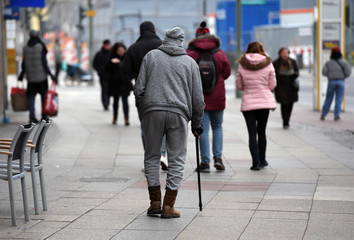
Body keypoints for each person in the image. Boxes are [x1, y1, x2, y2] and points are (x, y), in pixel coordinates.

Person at [134, 27, 205, 218]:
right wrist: (197, 124)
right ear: (181, 41)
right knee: (177, 159)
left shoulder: (151, 57)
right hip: (179, 113)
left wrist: (143, 109)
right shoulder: (190, 63)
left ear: (165, 39)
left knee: (152, 156)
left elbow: (139, 88)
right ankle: (168, 206)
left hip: (152, 111)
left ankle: (154, 202)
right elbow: (198, 98)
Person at [123, 21, 168, 170]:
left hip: (142, 95)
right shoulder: (163, 46)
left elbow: (125, 72)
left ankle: (150, 160)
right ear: (154, 30)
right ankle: (161, 154)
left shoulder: (133, 48)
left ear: (141, 31)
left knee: (145, 127)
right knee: (163, 126)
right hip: (163, 92)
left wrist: (134, 83)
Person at [187, 21, 231, 173]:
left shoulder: (190, 53)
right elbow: (226, 73)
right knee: (218, 127)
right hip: (218, 95)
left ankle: (205, 162)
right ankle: (218, 159)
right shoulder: (219, 52)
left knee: (203, 129)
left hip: (199, 97)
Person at [236, 42, 276, 171]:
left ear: (248, 50)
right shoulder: (268, 63)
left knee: (252, 133)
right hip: (264, 102)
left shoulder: (242, 64)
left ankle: (255, 163)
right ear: (261, 50)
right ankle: (263, 160)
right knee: (262, 132)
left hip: (248, 103)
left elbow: (239, 85)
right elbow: (272, 85)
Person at [18, 30, 55, 123]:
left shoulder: (25, 48)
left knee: (31, 97)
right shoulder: (40, 47)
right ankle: (44, 116)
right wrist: (51, 74)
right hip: (41, 78)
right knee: (44, 96)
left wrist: (22, 75)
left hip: (30, 78)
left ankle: (32, 117)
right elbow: (44, 63)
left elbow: (24, 64)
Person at [321, 47, 351, 121]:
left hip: (331, 82)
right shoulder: (344, 62)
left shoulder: (328, 63)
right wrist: (343, 76)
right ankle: (336, 115)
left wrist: (330, 74)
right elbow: (348, 72)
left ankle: (324, 114)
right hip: (341, 81)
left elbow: (324, 72)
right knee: (339, 99)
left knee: (329, 98)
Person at [105, 42, 132, 125]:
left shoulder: (127, 59)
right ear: (116, 51)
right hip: (115, 84)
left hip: (125, 83)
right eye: (119, 50)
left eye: (122, 50)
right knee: (115, 102)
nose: (121, 52)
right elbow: (106, 69)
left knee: (125, 102)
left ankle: (126, 119)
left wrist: (128, 78)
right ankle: (115, 118)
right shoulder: (111, 58)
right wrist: (111, 62)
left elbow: (131, 71)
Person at [273, 47, 299, 129]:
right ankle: (285, 122)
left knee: (290, 104)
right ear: (280, 54)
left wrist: (293, 73)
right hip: (281, 86)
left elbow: (297, 72)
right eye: (283, 53)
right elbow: (274, 74)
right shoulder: (276, 63)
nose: (285, 54)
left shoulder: (292, 62)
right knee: (284, 104)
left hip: (291, 87)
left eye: (287, 53)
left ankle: (287, 120)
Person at [93, 39, 111, 110]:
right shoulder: (99, 54)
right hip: (103, 75)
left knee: (109, 90)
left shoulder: (112, 54)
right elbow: (95, 64)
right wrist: (100, 71)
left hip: (111, 76)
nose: (107, 46)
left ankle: (107, 102)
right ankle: (105, 104)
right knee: (104, 90)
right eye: (106, 45)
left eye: (108, 45)